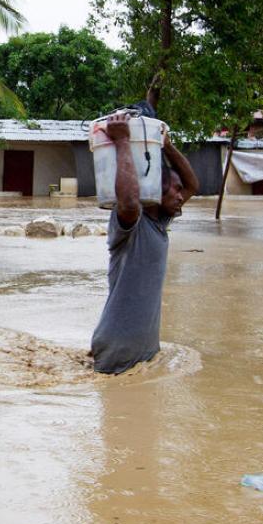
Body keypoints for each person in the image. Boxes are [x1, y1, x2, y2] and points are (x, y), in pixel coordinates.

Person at [89, 111, 199, 374]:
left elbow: (193, 185)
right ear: (155, 190)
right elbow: (128, 201)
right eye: (173, 189)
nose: (180, 195)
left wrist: (168, 146)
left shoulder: (159, 226)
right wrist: (123, 143)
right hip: (119, 350)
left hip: (143, 351)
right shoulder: (130, 225)